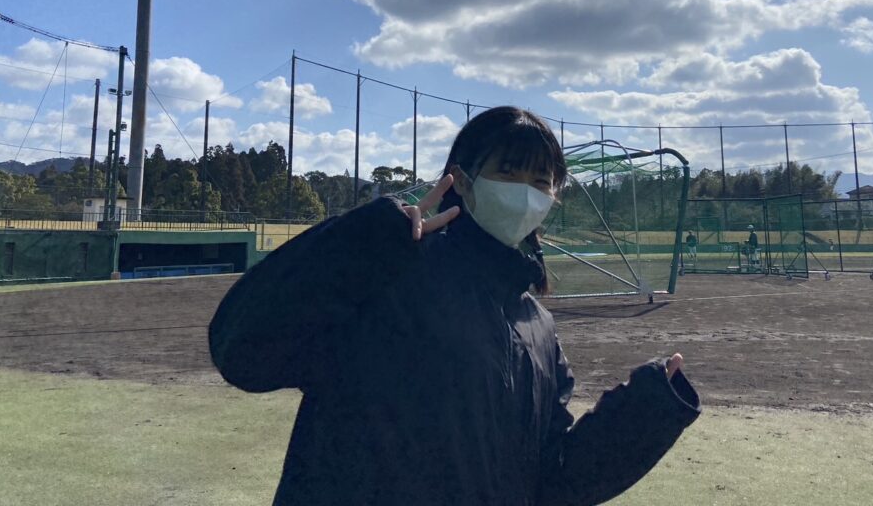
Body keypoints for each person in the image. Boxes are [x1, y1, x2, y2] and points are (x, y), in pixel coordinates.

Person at [209, 106, 700, 506]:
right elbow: (244, 350)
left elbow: (553, 480)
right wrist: (368, 239)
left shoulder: (537, 326)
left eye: (541, 181)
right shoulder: (391, 272)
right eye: (507, 171)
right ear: (461, 181)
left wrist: (647, 410)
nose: (525, 193)